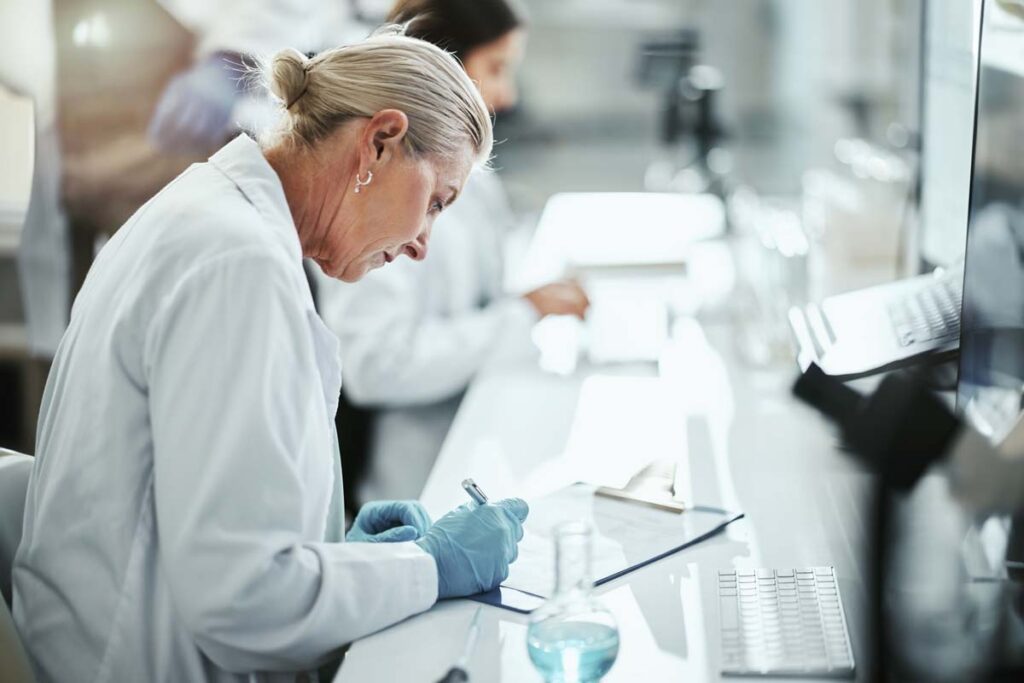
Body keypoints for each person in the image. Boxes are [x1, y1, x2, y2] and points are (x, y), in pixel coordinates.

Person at [12, 31, 528, 682]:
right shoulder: (238, 262)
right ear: (379, 141)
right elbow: (243, 602)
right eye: (435, 202)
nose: (424, 243)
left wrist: (335, 548)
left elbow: (210, 511)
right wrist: (427, 566)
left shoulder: (210, 214)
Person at [317, 0, 590, 504]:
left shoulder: (468, 177)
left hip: (473, 447)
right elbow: (374, 365)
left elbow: (471, 296)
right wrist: (521, 314)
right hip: (413, 485)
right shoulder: (376, 195)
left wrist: (524, 306)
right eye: (496, 69)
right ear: (446, 68)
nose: (507, 95)